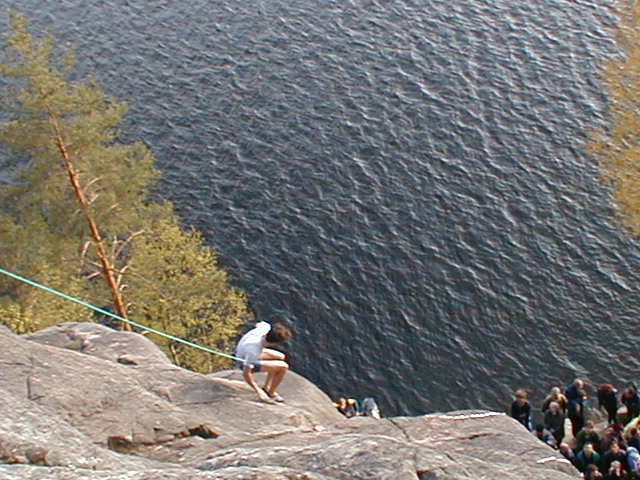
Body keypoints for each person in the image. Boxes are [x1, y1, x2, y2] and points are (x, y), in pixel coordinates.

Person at [235, 320, 293, 403]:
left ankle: (267, 387)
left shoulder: (265, 328)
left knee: (281, 357)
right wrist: (258, 390)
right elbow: (246, 373)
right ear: (273, 343)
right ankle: (271, 393)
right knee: (283, 367)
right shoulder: (253, 351)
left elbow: (260, 324)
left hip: (247, 350)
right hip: (243, 360)